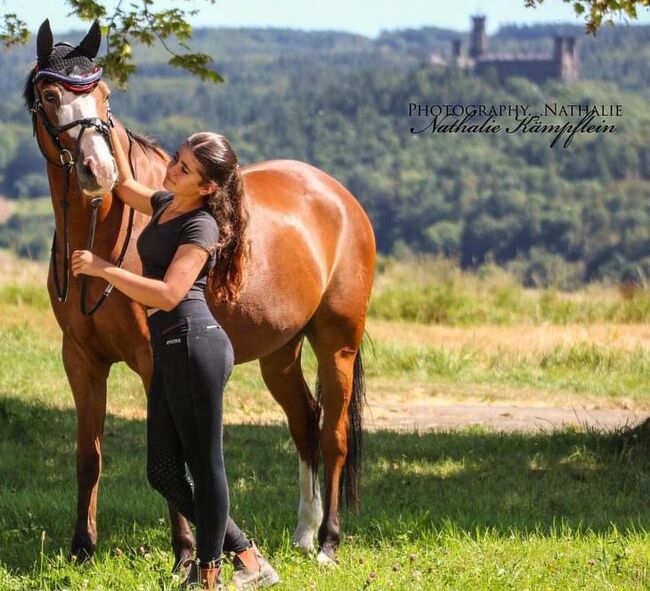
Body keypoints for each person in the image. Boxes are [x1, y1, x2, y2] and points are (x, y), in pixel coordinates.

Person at [71, 128, 280, 591]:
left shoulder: (200, 225)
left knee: (207, 467)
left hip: (194, 345)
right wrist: (105, 127)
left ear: (207, 187)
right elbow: (123, 187)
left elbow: (168, 295)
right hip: (170, 349)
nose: (172, 168)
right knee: (162, 471)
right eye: (177, 158)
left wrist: (103, 268)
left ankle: (209, 577)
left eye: (184, 168)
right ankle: (247, 555)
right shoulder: (168, 204)